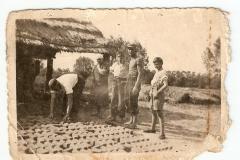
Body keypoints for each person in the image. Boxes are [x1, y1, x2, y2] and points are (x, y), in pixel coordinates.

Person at [144, 57, 168, 139]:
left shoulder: (163, 72)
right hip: (153, 94)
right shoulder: (156, 72)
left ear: (161, 63)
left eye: (157, 63)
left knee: (159, 113)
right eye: (154, 64)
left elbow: (165, 85)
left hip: (158, 95)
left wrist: (158, 92)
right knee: (153, 111)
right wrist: (149, 93)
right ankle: (152, 129)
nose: (155, 65)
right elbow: (153, 85)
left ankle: (162, 133)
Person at [124, 44, 143, 129]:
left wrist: (136, 86)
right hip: (129, 81)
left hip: (135, 82)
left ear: (135, 50)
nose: (130, 51)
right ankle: (131, 120)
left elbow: (140, 73)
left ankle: (134, 123)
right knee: (128, 101)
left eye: (131, 49)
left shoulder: (138, 59)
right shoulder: (131, 60)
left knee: (134, 101)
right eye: (129, 49)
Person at [107, 53, 128, 122]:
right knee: (113, 99)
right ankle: (113, 115)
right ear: (116, 58)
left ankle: (121, 117)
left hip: (122, 82)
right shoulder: (115, 64)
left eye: (122, 57)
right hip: (115, 81)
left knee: (121, 100)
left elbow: (130, 74)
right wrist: (114, 75)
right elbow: (111, 70)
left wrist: (125, 81)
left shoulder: (126, 65)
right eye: (119, 57)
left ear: (124, 58)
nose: (120, 58)